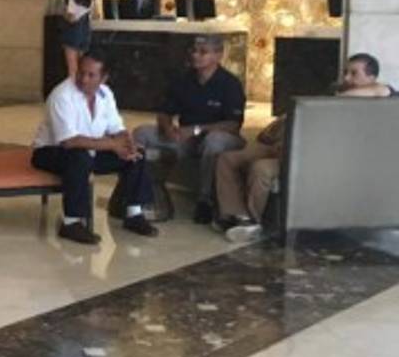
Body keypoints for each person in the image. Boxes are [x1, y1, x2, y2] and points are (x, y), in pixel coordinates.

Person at [213, 53, 394, 242]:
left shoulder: (377, 97)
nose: (347, 78)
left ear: (371, 77)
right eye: (346, 72)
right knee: (227, 159)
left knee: (261, 169)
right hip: (281, 144)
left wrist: (338, 97)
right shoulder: (336, 90)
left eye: (354, 73)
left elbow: (382, 90)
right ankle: (237, 215)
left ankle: (251, 222)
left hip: (305, 155)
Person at [31, 51, 159, 244]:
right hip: (50, 152)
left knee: (137, 156)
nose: (84, 79)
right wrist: (113, 145)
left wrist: (127, 144)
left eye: (91, 75)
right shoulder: (62, 95)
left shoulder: (106, 94)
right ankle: (72, 222)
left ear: (104, 78)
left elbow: (116, 127)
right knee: (79, 157)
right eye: (81, 73)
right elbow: (69, 141)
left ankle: (133, 214)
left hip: (89, 149)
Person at [133, 34, 246, 224]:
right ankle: (139, 192)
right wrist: (168, 127)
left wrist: (196, 130)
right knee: (141, 132)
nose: (195, 56)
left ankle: (205, 200)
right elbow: (164, 112)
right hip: (186, 138)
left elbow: (233, 125)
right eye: (193, 51)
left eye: (203, 52)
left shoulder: (230, 84)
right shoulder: (183, 80)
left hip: (220, 138)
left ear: (218, 55)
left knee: (214, 140)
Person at [60, 0, 95, 78]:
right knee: (81, 67)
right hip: (85, 32)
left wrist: (63, 13)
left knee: (72, 68)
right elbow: (95, 15)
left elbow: (72, 18)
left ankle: (72, 88)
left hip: (73, 33)